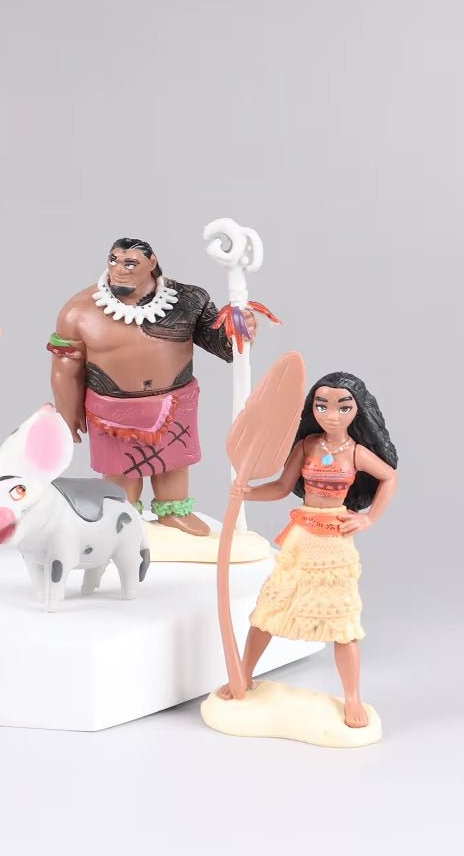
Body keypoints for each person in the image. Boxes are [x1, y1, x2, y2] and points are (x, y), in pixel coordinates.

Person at [215, 372, 398, 727]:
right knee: (269, 609)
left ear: (357, 410)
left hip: (334, 544)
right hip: (301, 540)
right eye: (322, 406)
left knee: (343, 622)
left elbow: (389, 476)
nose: (332, 415)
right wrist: (247, 494)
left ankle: (352, 698)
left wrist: (369, 518)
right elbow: (282, 487)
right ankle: (245, 674)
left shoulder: (356, 452)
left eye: (343, 407)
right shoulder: (306, 446)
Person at [49, 237, 255, 535]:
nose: (119, 269)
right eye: (113, 260)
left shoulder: (188, 301)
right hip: (111, 411)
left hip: (174, 403)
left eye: (130, 263)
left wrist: (238, 330)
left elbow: (224, 347)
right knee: (121, 471)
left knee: (173, 464)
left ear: (152, 263)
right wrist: (67, 412)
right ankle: (121, 518)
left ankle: (174, 513)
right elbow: (65, 369)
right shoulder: (77, 311)